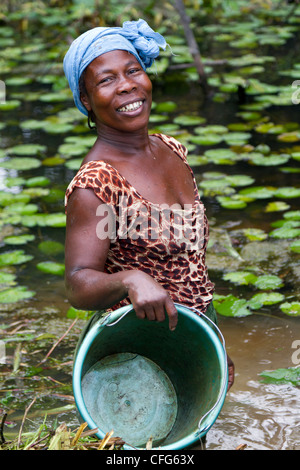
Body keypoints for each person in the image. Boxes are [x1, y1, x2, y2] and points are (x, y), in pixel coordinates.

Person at [63, 19, 234, 390]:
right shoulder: (97, 184)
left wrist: (215, 345)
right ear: (87, 101)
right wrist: (131, 279)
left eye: (132, 70)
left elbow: (191, 265)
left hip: (195, 333)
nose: (126, 85)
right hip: (134, 355)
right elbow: (78, 284)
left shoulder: (171, 149)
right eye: (106, 80)